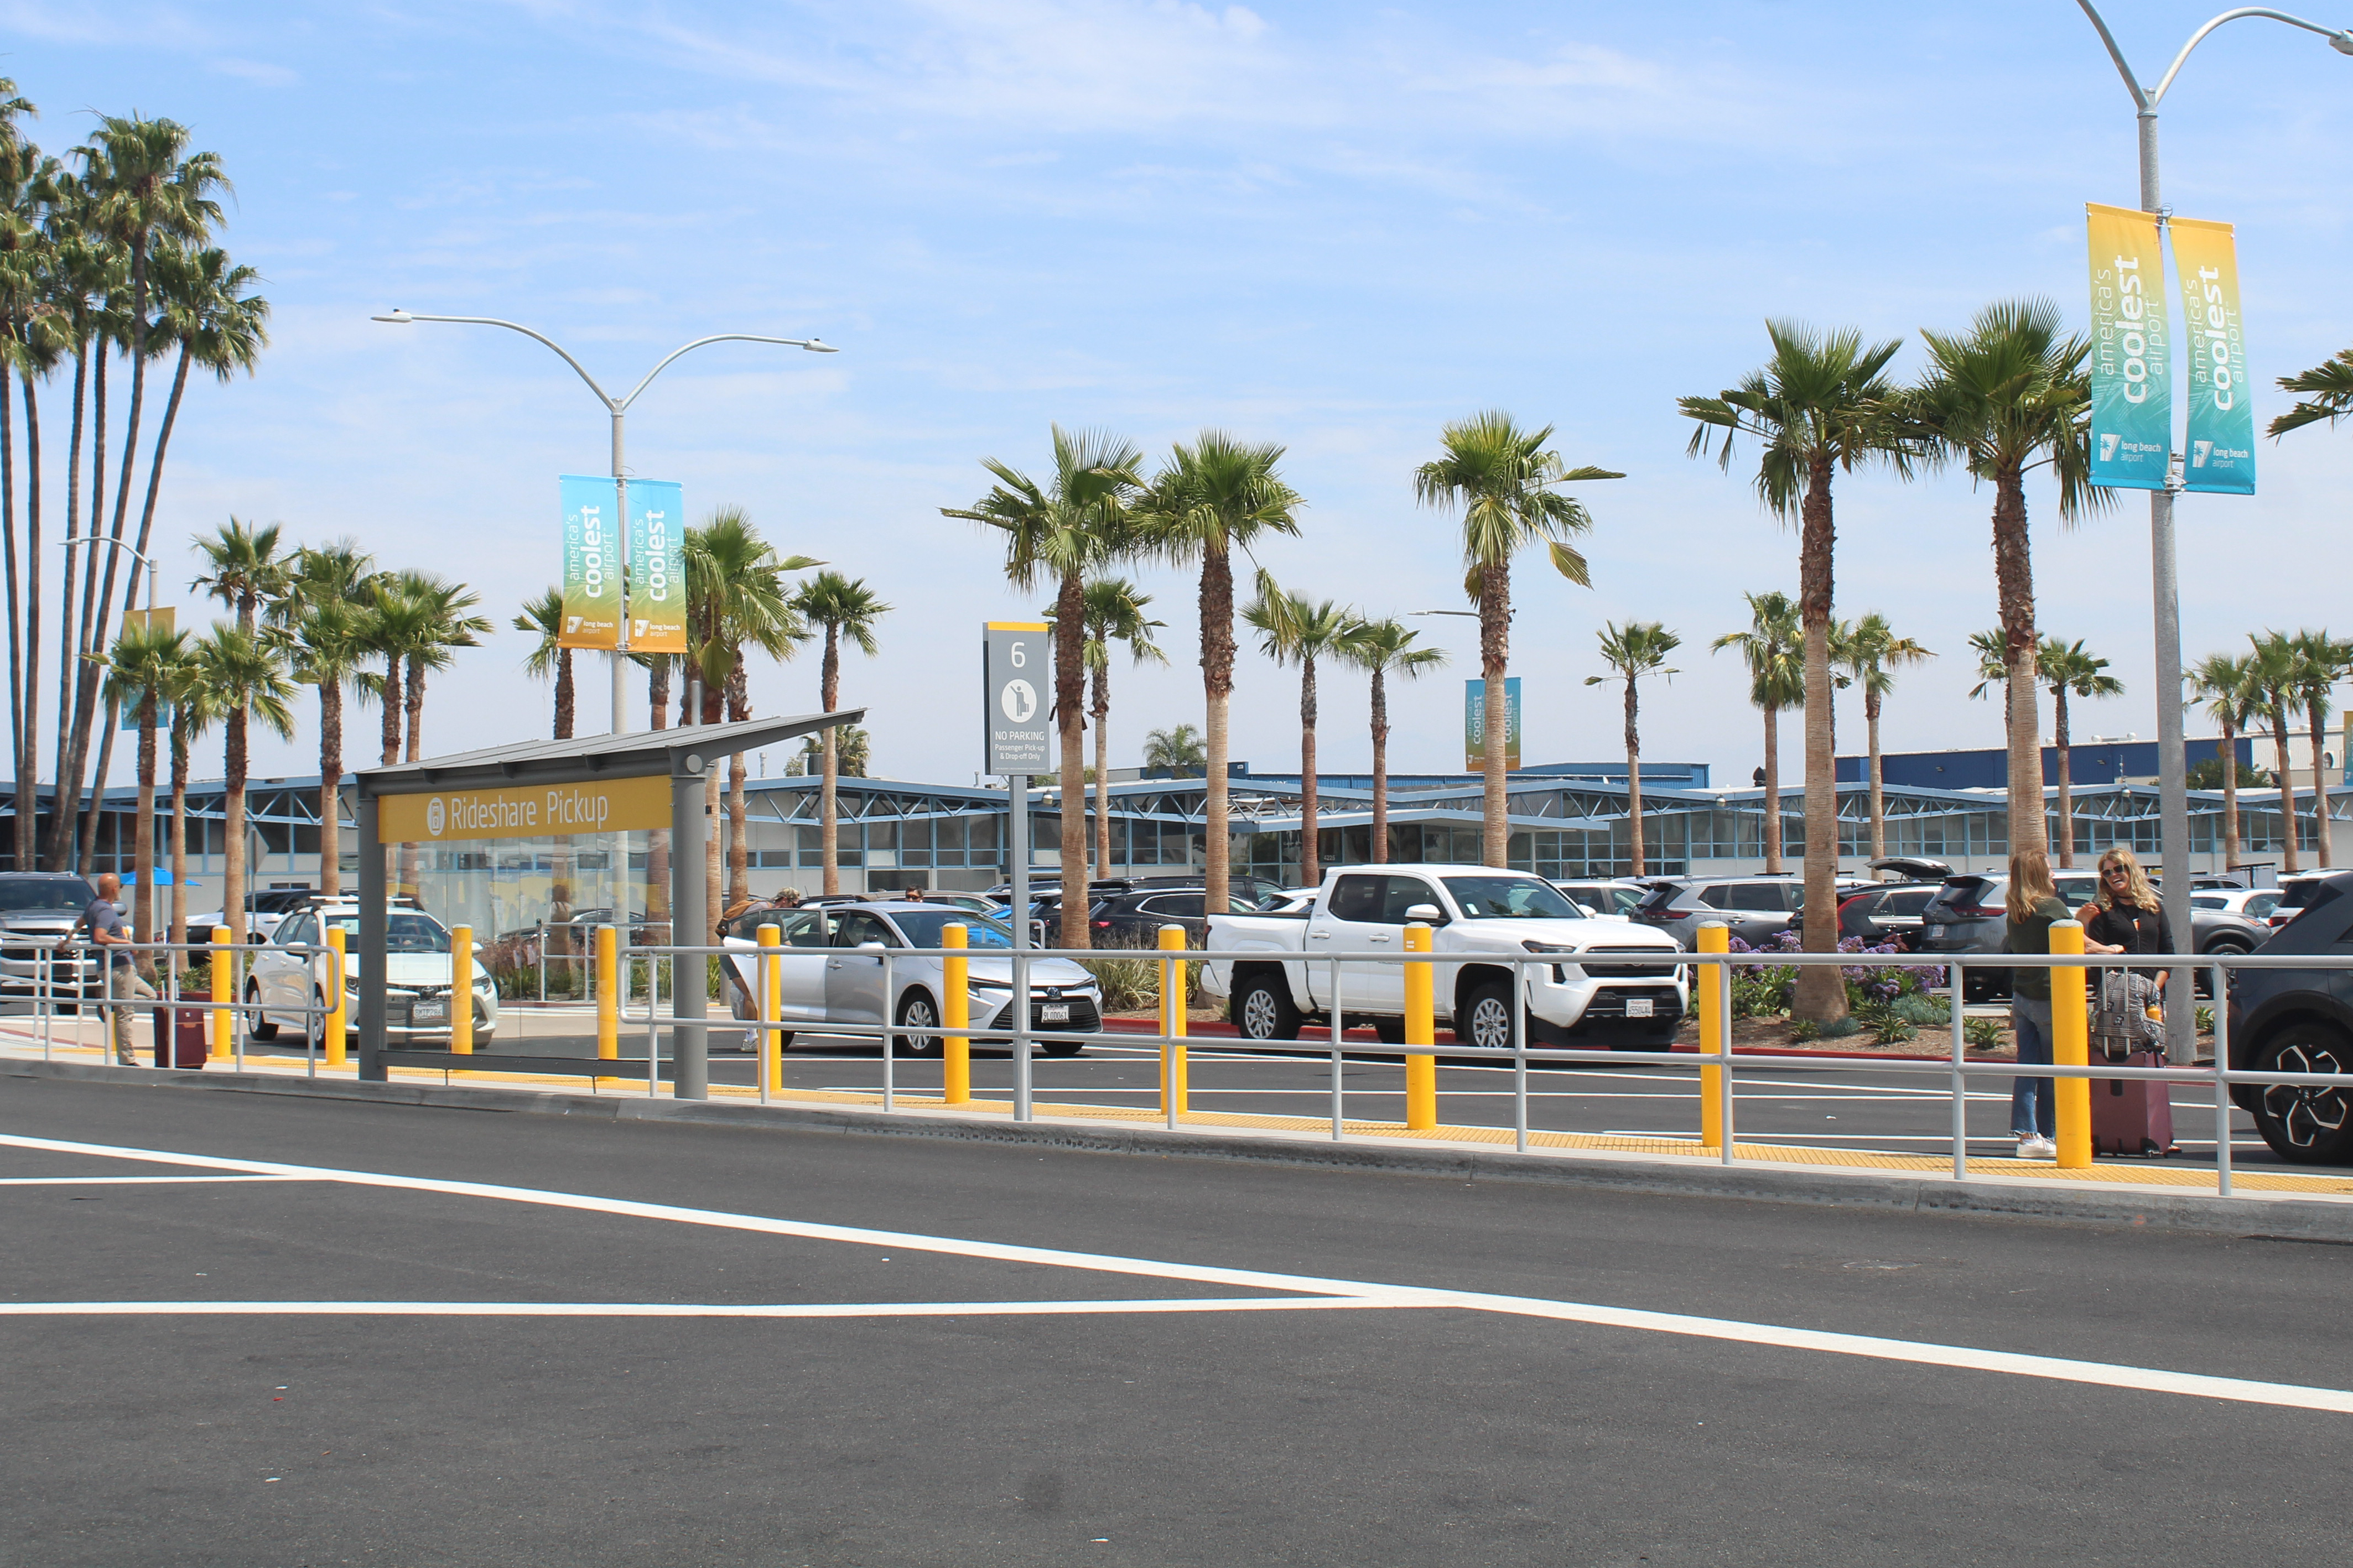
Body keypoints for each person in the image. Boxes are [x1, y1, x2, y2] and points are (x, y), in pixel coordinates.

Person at [2002, 847, 2070, 1160]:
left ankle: (2027, 1134)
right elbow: (2074, 937)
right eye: (2049, 869)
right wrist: (2111, 950)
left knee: (2029, 1067)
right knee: (2054, 1068)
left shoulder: (2016, 911)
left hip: (2023, 997)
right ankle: (2051, 1133)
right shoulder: (2051, 907)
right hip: (2049, 996)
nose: (2053, 874)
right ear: (2038, 873)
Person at [61, 873, 150, 1067]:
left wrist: (65, 941)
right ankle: (127, 1060)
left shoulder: (93, 906)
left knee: (152, 997)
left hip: (119, 967)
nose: (120, 891)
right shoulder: (106, 911)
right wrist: (126, 942)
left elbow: (78, 924)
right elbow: (101, 937)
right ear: (113, 889)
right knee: (125, 1013)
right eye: (119, 887)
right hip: (119, 967)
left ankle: (107, 1000)